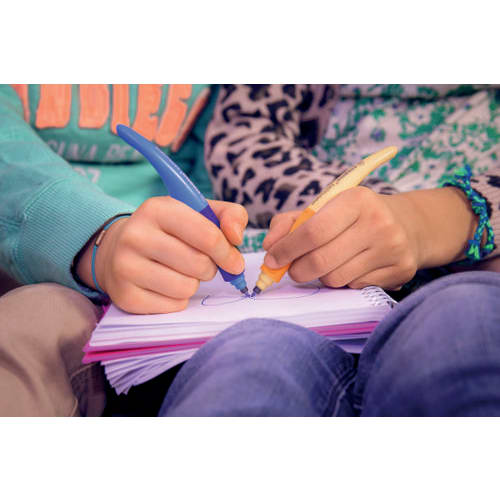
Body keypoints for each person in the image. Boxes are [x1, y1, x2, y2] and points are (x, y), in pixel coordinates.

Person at [152, 84, 500, 416]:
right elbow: (242, 142)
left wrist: (430, 221)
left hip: (473, 269)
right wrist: (346, 218)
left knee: (465, 329)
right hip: (301, 274)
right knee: (249, 367)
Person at [0, 84, 248, 416]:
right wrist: (100, 238)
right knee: (29, 328)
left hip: (176, 288)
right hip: (38, 284)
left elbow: (209, 172)